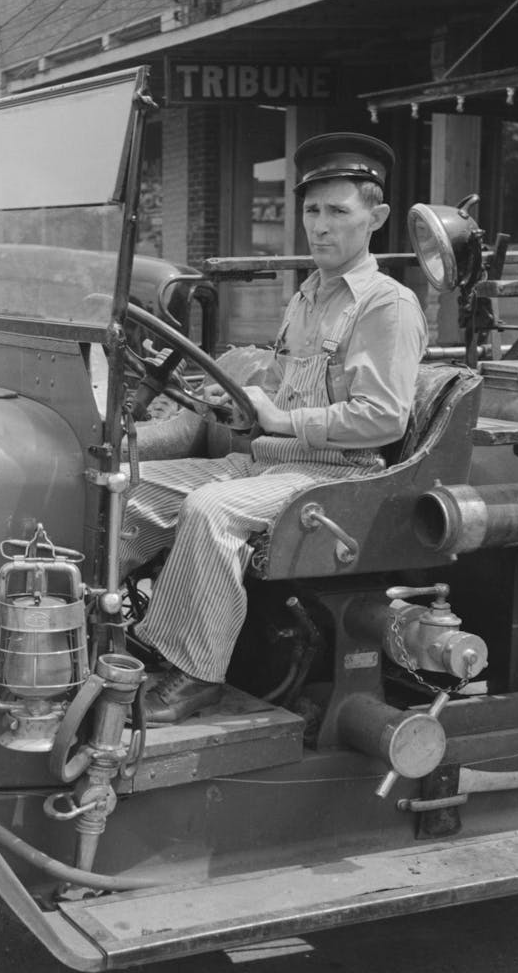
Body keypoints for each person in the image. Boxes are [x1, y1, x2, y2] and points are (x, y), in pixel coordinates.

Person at [119, 132, 428, 724]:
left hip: (337, 475)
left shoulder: (386, 306)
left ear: (377, 218)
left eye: (339, 211)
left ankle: (196, 676)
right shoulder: (307, 296)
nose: (321, 225)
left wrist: (281, 418)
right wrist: (237, 408)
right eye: (313, 211)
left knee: (213, 509)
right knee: (129, 485)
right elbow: (280, 395)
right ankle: (111, 633)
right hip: (271, 460)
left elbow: (384, 419)